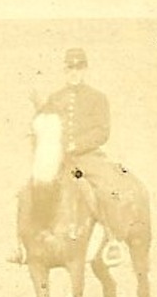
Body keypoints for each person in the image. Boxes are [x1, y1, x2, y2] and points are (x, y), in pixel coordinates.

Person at [11, 48, 133, 263]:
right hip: (58, 158)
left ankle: (112, 241)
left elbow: (102, 131)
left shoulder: (97, 98)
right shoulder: (55, 97)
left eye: (78, 67)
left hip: (87, 156)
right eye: (70, 68)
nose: (74, 72)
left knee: (103, 188)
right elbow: (46, 121)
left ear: (85, 69)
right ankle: (21, 245)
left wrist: (76, 145)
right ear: (64, 70)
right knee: (27, 188)